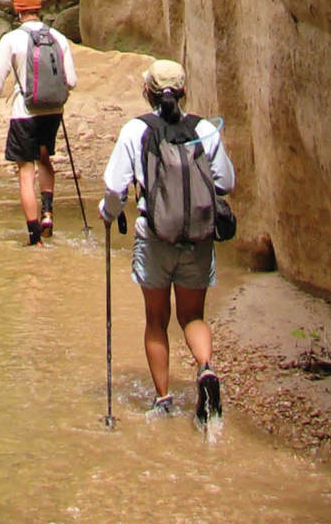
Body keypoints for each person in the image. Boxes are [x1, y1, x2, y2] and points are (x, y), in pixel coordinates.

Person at [99, 58, 234, 426]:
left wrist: (108, 214)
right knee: (192, 316)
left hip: (155, 237)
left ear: (148, 92)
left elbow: (114, 188)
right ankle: (205, 368)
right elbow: (225, 182)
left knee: (156, 319)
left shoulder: (136, 131)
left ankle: (163, 401)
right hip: (198, 236)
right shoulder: (204, 129)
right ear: (185, 90)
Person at [0, 0, 77, 243]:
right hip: (54, 111)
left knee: (25, 170)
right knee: (45, 158)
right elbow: (72, 81)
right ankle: (47, 213)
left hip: (25, 113)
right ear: (38, 7)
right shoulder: (58, 38)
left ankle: (35, 239)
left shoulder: (12, 40)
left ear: (17, 9)